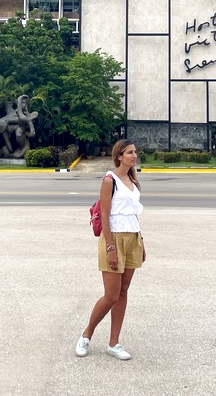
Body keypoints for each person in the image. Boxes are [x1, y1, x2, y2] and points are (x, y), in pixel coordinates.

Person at [76, 139, 146, 360]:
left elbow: (133, 214)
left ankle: (113, 343)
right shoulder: (110, 180)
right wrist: (110, 247)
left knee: (123, 292)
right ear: (119, 156)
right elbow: (105, 215)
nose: (134, 156)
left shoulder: (133, 180)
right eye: (129, 153)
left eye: (135, 152)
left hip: (133, 238)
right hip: (113, 239)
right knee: (111, 295)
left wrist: (141, 241)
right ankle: (86, 335)